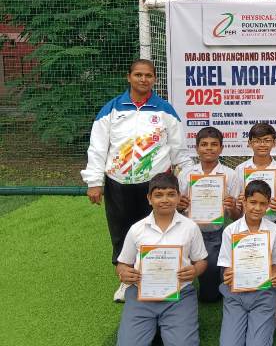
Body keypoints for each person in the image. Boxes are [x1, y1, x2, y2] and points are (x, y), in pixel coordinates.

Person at [81, 59, 192, 301]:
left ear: (154, 79)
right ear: (128, 77)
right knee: (121, 232)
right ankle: (126, 280)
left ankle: (158, 277)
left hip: (154, 185)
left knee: (155, 231)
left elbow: (179, 152)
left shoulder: (165, 111)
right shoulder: (111, 109)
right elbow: (98, 148)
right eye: (138, 75)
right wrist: (94, 182)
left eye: (148, 75)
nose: (143, 79)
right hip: (117, 183)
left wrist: (186, 185)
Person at [115, 172, 208, 346]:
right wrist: (123, 273)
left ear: (178, 197)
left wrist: (195, 270)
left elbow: (201, 260)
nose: (165, 200)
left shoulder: (190, 227)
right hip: (141, 294)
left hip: (180, 295)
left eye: (171, 194)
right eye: (158, 195)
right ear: (149, 199)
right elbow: (123, 264)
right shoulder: (137, 229)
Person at [177, 126, 241, 302]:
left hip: (215, 235)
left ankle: (210, 276)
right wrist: (180, 206)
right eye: (204, 144)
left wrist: (232, 207)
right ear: (196, 148)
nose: (209, 148)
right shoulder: (186, 174)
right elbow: (176, 209)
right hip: (187, 233)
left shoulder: (230, 175)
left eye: (214, 144)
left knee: (210, 296)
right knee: (177, 277)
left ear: (221, 148)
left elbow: (236, 216)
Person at [217, 180, 276, 346]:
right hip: (236, 293)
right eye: (253, 202)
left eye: (263, 204)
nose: (257, 208)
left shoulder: (274, 230)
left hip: (263, 293)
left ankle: (272, 311)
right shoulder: (231, 230)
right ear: (244, 202)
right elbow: (226, 265)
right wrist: (228, 274)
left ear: (268, 205)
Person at [232, 123, 276, 224]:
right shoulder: (240, 169)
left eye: (267, 140)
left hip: (273, 223)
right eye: (257, 141)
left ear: (274, 142)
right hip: (246, 225)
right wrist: (238, 201)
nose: (262, 144)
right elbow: (236, 206)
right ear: (249, 143)